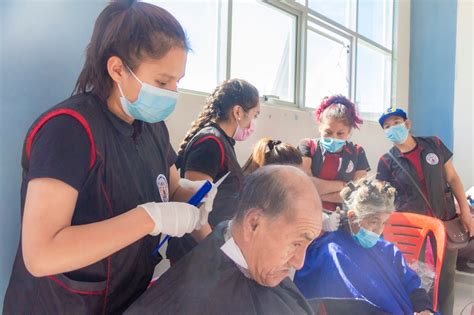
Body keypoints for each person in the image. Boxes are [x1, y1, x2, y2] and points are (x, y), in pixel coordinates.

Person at [3, 1, 216, 313]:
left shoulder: (153, 129)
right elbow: (41, 255)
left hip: (125, 298)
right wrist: (149, 218)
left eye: (178, 81)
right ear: (117, 68)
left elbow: (171, 190)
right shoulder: (69, 130)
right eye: (162, 82)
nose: (172, 92)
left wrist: (196, 196)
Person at [125, 165, 323, 315]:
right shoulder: (202, 300)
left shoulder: (231, 241)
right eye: (296, 244)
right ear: (253, 224)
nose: (299, 262)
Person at [376, 107, 473, 315]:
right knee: (416, 280)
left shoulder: (434, 145)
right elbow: (383, 199)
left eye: (396, 122)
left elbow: (453, 178)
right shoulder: (386, 162)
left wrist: (465, 212)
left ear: (407, 124)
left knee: (446, 280)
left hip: (445, 225)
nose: (393, 128)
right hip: (412, 233)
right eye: (387, 126)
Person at [294, 178, 434, 315]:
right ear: (352, 216)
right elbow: (346, 307)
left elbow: (412, 284)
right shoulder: (331, 253)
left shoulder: (387, 249)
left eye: (384, 223)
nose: (379, 230)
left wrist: (424, 309)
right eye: (374, 221)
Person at [167, 79, 260, 263]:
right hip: (197, 255)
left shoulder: (223, 143)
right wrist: (217, 252)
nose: (253, 124)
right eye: (254, 115)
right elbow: (193, 206)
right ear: (238, 112)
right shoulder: (210, 143)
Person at [242, 137, 340, 232]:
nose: (296, 185)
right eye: (292, 178)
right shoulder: (250, 202)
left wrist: (322, 219)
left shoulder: (281, 194)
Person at [298, 95, 370, 212]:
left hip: (343, 218)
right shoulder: (307, 146)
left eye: (340, 133)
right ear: (320, 128)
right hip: (308, 213)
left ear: (349, 132)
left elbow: (357, 193)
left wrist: (320, 193)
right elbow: (305, 184)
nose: (333, 138)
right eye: (328, 132)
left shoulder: (357, 152)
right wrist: (342, 185)